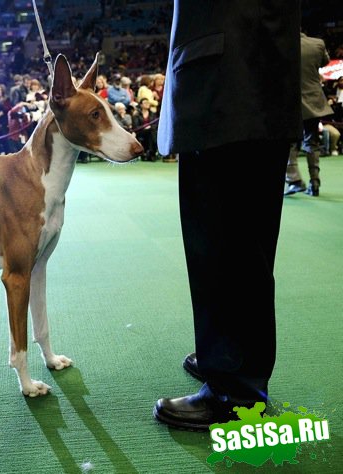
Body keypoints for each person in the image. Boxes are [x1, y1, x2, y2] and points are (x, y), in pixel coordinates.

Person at [153, 0, 302, 431]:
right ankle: (232, 362)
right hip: (253, 71)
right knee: (243, 239)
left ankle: (235, 390)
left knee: (224, 241)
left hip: (227, 75)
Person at [284, 32, 334, 197]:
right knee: (312, 143)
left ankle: (294, 180)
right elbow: (325, 62)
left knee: (288, 143)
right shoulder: (318, 43)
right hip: (314, 100)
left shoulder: (284, 44)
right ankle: (315, 183)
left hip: (291, 101)